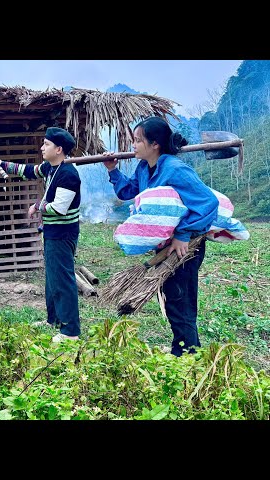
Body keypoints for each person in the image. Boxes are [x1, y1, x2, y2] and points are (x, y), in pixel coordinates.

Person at [103, 116, 219, 357]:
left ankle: (187, 354)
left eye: (137, 140)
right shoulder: (144, 168)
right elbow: (128, 191)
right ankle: (184, 348)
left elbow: (208, 202)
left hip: (185, 247)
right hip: (165, 246)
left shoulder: (176, 170)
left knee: (180, 299)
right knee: (171, 298)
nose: (133, 145)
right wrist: (113, 170)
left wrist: (183, 233)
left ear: (155, 144)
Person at [0, 127, 81, 343]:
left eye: (46, 144)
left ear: (58, 149)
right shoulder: (50, 168)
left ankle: (71, 332)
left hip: (62, 233)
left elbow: (59, 208)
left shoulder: (68, 174)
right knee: (52, 279)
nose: (42, 147)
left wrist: (37, 206)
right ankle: (54, 321)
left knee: (63, 280)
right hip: (52, 232)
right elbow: (29, 170)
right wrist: (2, 164)